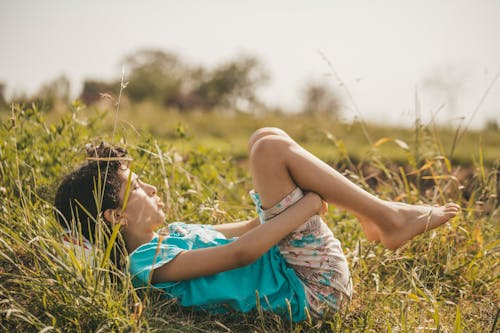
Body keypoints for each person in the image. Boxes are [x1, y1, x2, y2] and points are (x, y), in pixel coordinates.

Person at [54, 127, 460, 321]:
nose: (153, 186)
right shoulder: (145, 265)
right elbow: (241, 254)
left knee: (263, 138)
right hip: (311, 290)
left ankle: (378, 217)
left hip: (298, 265)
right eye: (139, 187)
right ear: (115, 216)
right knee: (268, 150)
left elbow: (247, 229)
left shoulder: (170, 235)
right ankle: (385, 218)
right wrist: (302, 209)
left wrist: (283, 205)